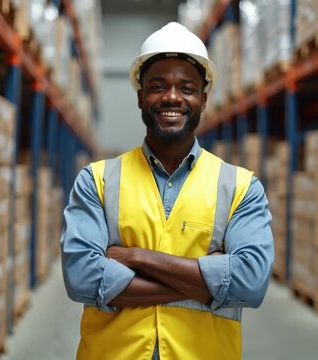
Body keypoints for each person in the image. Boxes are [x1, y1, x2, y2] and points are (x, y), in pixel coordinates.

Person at [60, 22, 274, 360]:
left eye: (186, 88)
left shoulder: (240, 187)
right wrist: (207, 280)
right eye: (158, 86)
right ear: (140, 97)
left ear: (203, 99)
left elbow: (250, 284)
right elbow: (82, 280)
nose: (172, 97)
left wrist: (135, 257)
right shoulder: (97, 180)